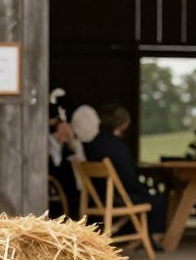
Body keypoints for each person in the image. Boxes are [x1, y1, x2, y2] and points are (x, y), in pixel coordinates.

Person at [81, 102, 166, 251]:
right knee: (157, 200)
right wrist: (144, 190)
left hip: (97, 197)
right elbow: (129, 180)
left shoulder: (92, 143)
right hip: (117, 199)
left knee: (144, 197)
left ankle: (133, 235)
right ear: (123, 123)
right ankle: (152, 240)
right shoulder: (118, 146)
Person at [46, 88, 85, 218]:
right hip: (55, 194)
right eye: (64, 123)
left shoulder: (66, 147)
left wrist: (71, 144)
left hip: (69, 195)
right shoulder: (46, 145)